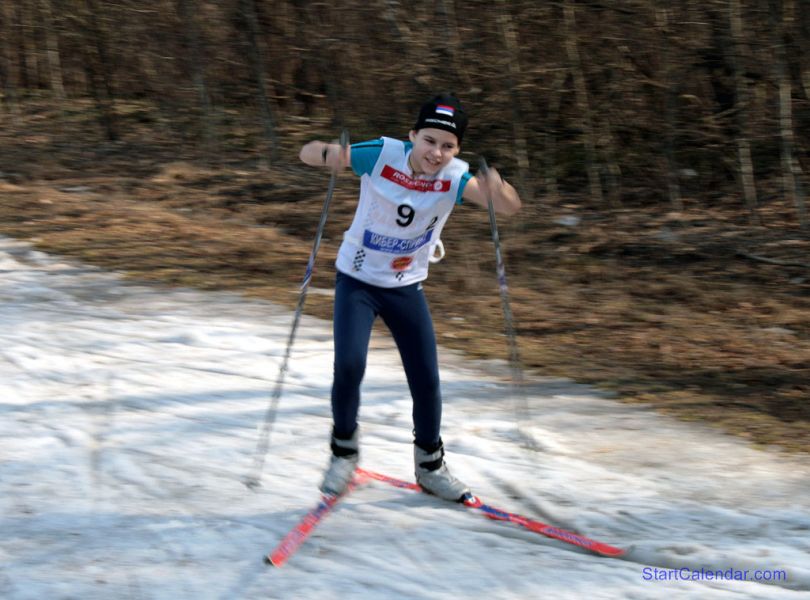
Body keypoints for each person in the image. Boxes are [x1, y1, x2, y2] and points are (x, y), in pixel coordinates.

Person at [299, 93, 521, 501]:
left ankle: (430, 466)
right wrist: (329, 154)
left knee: (426, 378)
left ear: (457, 150)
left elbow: (506, 207)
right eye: (429, 141)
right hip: (358, 281)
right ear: (413, 135)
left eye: (448, 145)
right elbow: (307, 153)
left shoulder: (455, 176)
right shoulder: (382, 154)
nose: (436, 153)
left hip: (405, 287)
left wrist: (498, 188)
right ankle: (343, 453)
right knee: (349, 365)